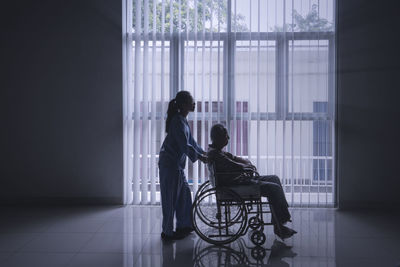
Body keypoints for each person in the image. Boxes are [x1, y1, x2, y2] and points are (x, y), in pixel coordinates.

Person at [207, 124, 297, 240]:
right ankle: (280, 223)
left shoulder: (217, 151)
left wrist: (246, 162)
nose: (228, 138)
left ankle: (280, 221)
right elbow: (235, 165)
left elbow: (234, 158)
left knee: (274, 178)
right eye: (226, 136)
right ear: (218, 138)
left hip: (239, 180)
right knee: (274, 188)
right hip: (235, 185)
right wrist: (245, 166)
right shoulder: (216, 154)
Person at [158, 91, 208, 241]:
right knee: (170, 199)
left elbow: (191, 142)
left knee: (185, 195)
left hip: (176, 166)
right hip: (169, 165)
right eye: (192, 101)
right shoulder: (177, 121)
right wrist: (200, 157)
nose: (194, 104)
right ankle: (167, 233)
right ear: (183, 104)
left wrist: (204, 153)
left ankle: (184, 226)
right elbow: (184, 144)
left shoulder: (183, 120)